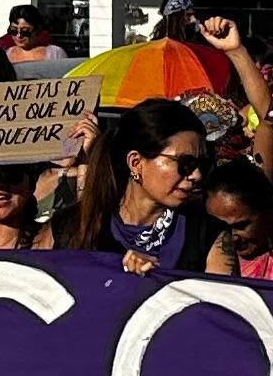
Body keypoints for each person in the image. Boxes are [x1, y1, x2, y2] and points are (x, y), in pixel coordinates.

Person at [62, 98, 219, 273]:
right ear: (136, 163)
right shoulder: (72, 225)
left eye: (203, 164)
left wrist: (157, 281)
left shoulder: (208, 234)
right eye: (185, 163)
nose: (196, 175)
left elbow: (225, 298)